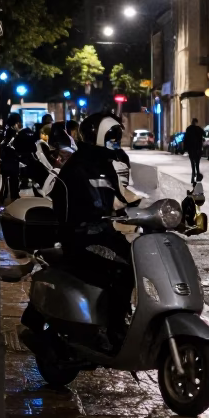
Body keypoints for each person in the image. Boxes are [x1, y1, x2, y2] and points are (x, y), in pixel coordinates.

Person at [50, 112, 133, 345]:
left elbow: (119, 198)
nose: (115, 142)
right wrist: (93, 217)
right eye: (111, 136)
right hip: (81, 238)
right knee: (121, 271)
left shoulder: (104, 163)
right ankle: (113, 328)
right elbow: (70, 209)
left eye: (116, 136)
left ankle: (119, 316)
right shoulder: (78, 167)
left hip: (104, 233)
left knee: (138, 260)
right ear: (97, 136)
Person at [183, 117, 205, 183]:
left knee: (192, 163)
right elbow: (204, 134)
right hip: (198, 148)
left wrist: (185, 148)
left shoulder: (188, 129)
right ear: (196, 122)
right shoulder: (199, 129)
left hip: (191, 149)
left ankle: (193, 176)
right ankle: (197, 174)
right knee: (197, 163)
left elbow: (185, 139)